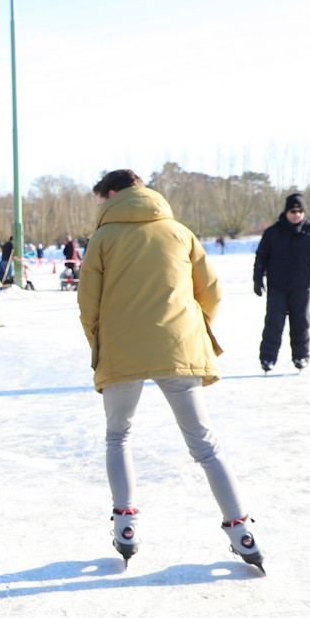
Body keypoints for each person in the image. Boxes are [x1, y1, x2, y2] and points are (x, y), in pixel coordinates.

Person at [78, 169, 263, 573]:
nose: (99, 207)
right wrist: (191, 328)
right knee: (205, 444)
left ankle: (126, 524)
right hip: (178, 346)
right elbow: (211, 291)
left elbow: (87, 303)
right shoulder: (179, 232)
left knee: (118, 436)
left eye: (100, 199)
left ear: (112, 193)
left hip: (122, 350)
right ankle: (241, 529)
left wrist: (100, 343)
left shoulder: (103, 239)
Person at [253, 193, 310, 372]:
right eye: (293, 211)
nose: (296, 215)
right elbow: (261, 258)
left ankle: (301, 356)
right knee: (274, 323)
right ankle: (268, 358)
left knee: (301, 323)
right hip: (277, 287)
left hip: (301, 287)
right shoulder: (273, 233)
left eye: (300, 211)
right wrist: (257, 279)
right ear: (286, 212)